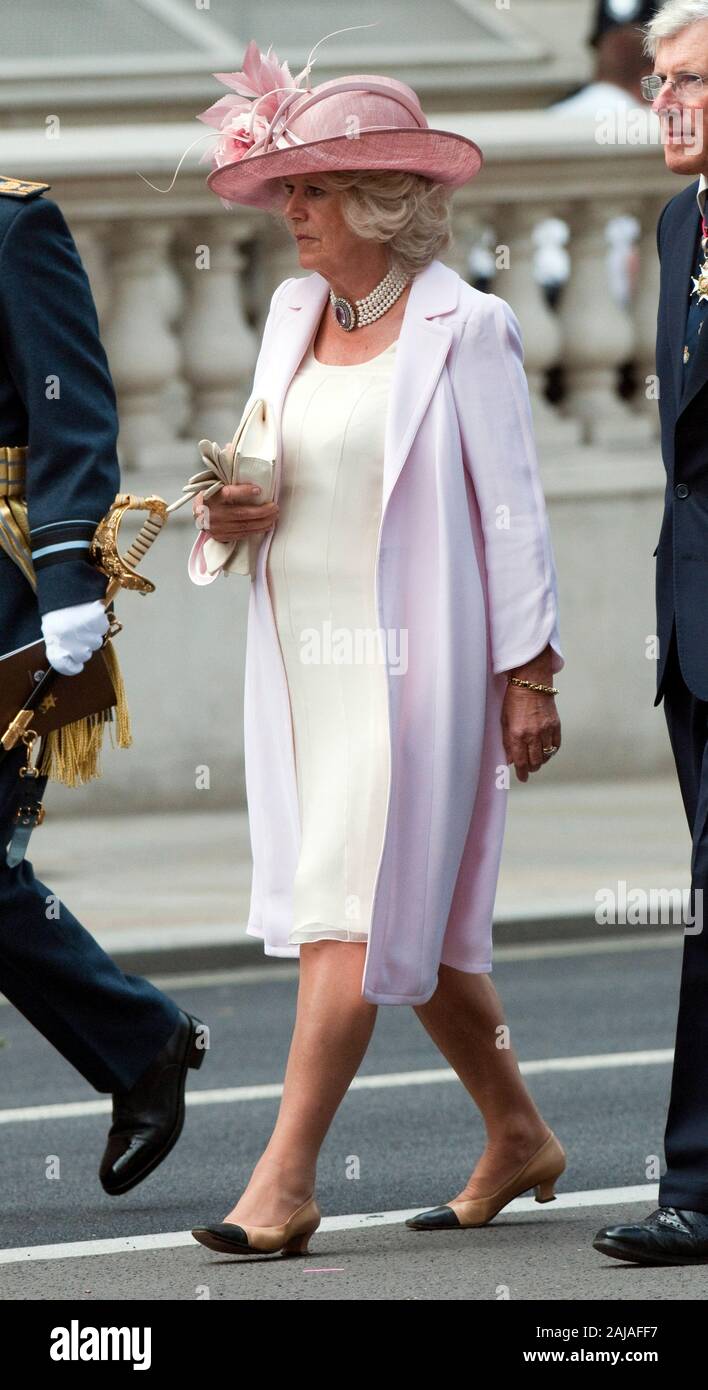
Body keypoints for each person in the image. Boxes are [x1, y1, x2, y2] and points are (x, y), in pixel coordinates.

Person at [186, 40, 566, 1259]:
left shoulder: (471, 328)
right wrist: (228, 514)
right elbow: (255, 468)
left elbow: (513, 514)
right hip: (305, 661)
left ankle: (284, 1180)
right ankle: (517, 1131)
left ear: (384, 203)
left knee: (349, 905)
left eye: (313, 189)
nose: (289, 212)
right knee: (400, 910)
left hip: (418, 666)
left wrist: (533, 672)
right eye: (287, 188)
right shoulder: (294, 314)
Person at [0, 174, 206, 1197]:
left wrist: (72, 571)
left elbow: (70, 405)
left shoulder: (12, 222)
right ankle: (142, 1041)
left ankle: (140, 1041)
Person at [594, 0, 708, 1265]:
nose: (663, 102)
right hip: (693, 622)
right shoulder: (683, 221)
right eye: (657, 80)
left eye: (689, 82)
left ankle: (700, 1182)